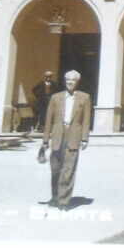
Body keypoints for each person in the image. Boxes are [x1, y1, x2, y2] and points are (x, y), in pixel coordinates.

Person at [40, 69, 91, 208]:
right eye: (68, 80)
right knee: (55, 169)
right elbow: (48, 120)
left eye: (73, 80)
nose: (70, 83)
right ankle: (55, 197)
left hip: (73, 136)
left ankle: (64, 201)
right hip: (57, 135)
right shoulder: (56, 97)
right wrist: (45, 140)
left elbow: (86, 120)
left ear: (77, 82)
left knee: (68, 169)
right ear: (64, 81)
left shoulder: (85, 98)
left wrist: (85, 138)